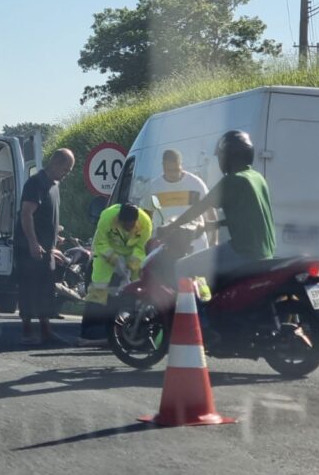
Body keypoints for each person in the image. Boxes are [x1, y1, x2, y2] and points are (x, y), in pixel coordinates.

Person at [161, 130, 275, 290]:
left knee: (182, 267)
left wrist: (170, 227)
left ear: (228, 156)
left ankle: (198, 315)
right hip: (265, 252)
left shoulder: (233, 180)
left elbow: (199, 208)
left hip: (243, 251)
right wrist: (212, 225)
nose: (220, 160)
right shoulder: (257, 177)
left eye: (220, 156)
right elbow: (248, 216)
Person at [15, 148, 75, 346]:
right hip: (30, 247)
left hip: (46, 247)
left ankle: (46, 330)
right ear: (55, 163)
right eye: (66, 169)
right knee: (29, 288)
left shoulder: (54, 186)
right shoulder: (36, 183)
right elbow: (26, 213)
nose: (67, 173)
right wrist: (33, 242)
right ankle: (26, 330)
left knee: (46, 289)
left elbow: (45, 215)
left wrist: (55, 236)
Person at [77, 202, 152, 347]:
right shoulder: (107, 217)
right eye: (126, 226)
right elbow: (101, 243)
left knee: (135, 289)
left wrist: (131, 265)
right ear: (120, 220)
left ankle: (128, 329)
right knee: (98, 288)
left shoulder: (145, 222)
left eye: (132, 225)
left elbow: (142, 248)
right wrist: (115, 260)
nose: (129, 228)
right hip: (108, 254)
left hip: (132, 256)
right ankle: (91, 332)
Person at [142, 149, 215, 253]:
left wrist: (214, 240)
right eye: (169, 170)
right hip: (166, 247)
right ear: (162, 166)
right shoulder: (154, 188)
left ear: (182, 165)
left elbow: (210, 212)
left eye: (176, 170)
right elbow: (146, 217)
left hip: (197, 246)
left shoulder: (195, 184)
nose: (173, 174)